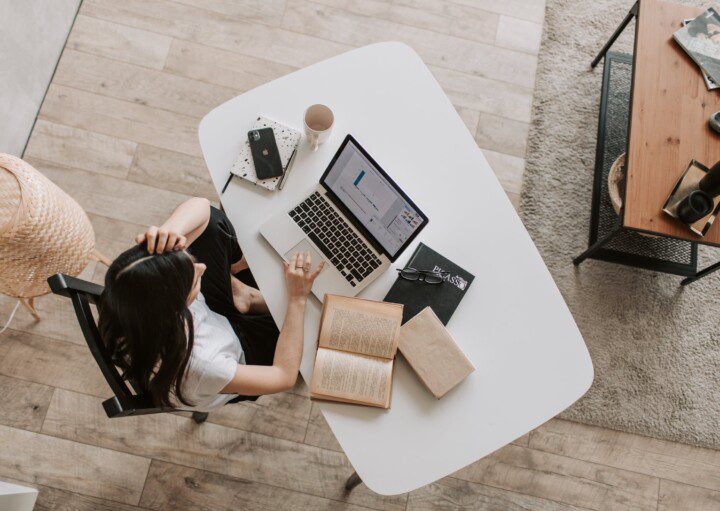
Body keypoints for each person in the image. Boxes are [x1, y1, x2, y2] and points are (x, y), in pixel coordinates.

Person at [98, 197, 324, 412]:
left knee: (214, 224)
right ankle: (245, 297)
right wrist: (297, 298)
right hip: (240, 354)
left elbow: (203, 209)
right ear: (176, 308)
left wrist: (170, 231)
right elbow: (283, 376)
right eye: (193, 278)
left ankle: (242, 297)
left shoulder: (129, 289)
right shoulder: (204, 366)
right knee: (314, 325)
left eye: (189, 261)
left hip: (210, 321)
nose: (202, 268)